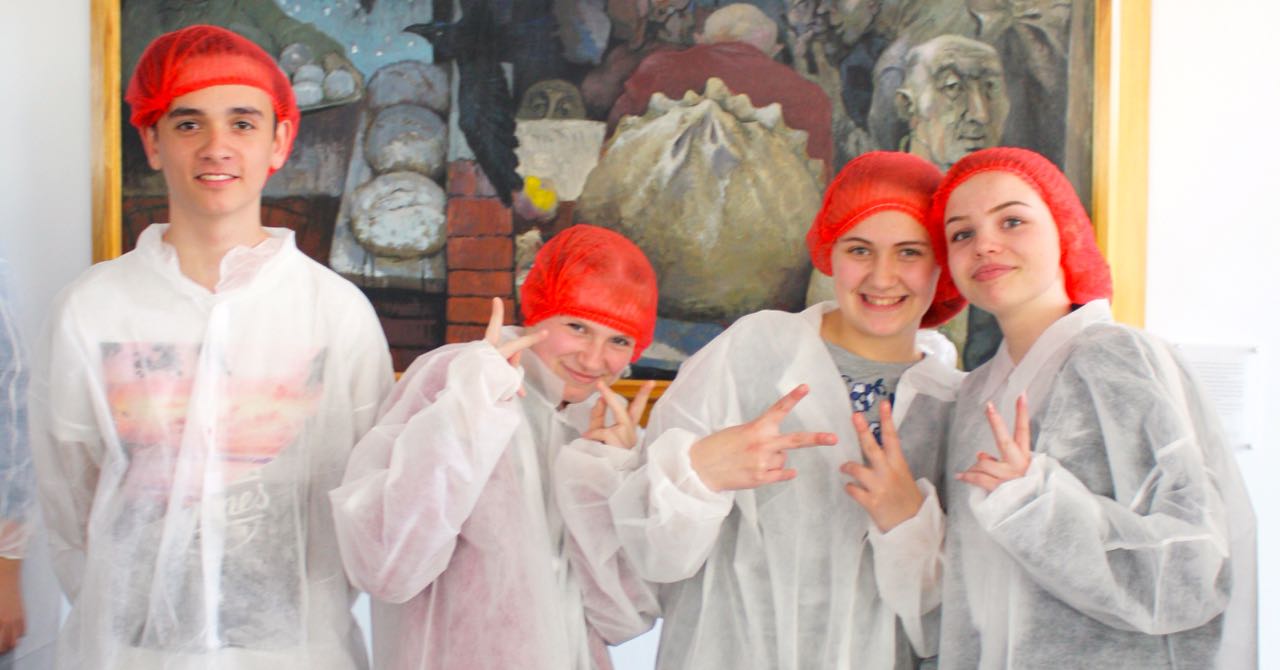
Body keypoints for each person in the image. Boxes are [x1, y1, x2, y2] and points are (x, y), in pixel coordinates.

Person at [33, 25, 393, 669]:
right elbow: (71, 500)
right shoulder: (90, 311)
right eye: (189, 123)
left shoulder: (336, 315)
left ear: (280, 140)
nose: (217, 147)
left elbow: (364, 495)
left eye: (243, 123)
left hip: (298, 655)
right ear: (152, 141)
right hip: (129, 655)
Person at [558, 151, 967, 668]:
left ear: (942, 263)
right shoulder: (755, 352)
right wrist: (700, 473)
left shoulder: (952, 403)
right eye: (859, 249)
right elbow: (652, 561)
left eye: (909, 252)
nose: (882, 277)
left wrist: (909, 525)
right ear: (830, 252)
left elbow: (954, 623)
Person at [931, 147, 1256, 668]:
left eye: (1012, 221)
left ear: (1064, 229)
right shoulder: (973, 396)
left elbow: (1193, 570)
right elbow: (974, 593)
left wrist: (1037, 505)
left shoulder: (1119, 359)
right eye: (961, 234)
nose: (984, 244)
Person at [330, 224, 662, 669]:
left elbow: (622, 620)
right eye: (577, 327)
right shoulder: (459, 379)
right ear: (539, 310)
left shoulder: (601, 427)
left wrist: (607, 479)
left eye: (618, 340)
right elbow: (386, 567)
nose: (593, 359)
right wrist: (467, 416)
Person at [607, 3, 834, 170]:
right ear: (775, 50)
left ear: (700, 39)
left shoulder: (659, 68)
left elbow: (614, 141)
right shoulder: (810, 95)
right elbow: (819, 178)